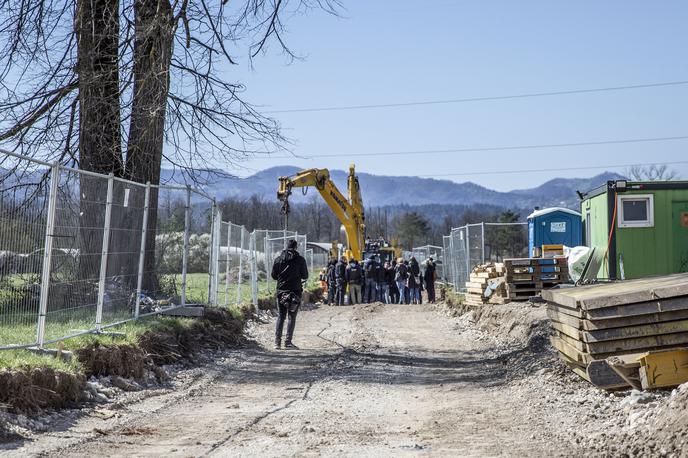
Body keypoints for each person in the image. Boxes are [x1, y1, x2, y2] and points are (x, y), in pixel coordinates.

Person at [271, 239, 309, 350]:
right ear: (296, 247)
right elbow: (305, 275)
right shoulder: (300, 260)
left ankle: (277, 342)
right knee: (291, 317)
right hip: (295, 292)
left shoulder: (278, 259)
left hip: (281, 292)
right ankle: (288, 342)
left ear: (286, 247)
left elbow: (274, 276)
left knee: (281, 316)